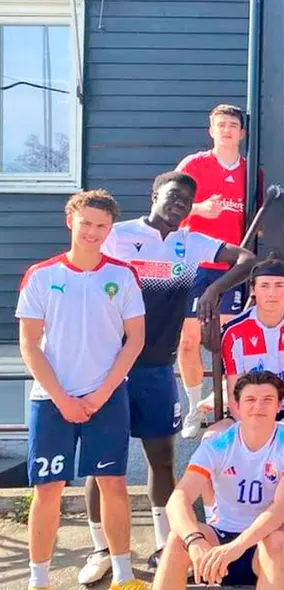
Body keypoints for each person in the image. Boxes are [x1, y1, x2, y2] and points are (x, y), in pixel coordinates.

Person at [81, 172, 255, 581]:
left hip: (158, 368)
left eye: (186, 200)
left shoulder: (192, 242)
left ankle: (164, 544)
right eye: (174, 196)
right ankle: (100, 549)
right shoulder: (117, 234)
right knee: (102, 466)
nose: (180, 204)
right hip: (107, 368)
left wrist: (213, 290)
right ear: (154, 195)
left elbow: (247, 260)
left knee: (163, 461)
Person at [18, 190, 147, 590]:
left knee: (113, 485)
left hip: (105, 398)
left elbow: (135, 341)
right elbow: (28, 345)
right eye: (86, 223)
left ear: (110, 230)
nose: (93, 232)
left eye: (101, 226)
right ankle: (38, 579)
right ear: (70, 220)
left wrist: (102, 393)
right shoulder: (42, 275)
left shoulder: (122, 275)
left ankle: (123, 575)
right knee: (48, 490)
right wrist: (62, 398)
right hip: (52, 400)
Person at [152, 371, 284, 590]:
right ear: (236, 406)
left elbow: (283, 507)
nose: (259, 406)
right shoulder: (219, 444)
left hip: (265, 540)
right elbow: (178, 499)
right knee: (177, 539)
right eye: (250, 400)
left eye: (268, 400)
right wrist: (195, 541)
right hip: (221, 535)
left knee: (275, 542)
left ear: (279, 405)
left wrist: (237, 547)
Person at [176, 104, 251, 433]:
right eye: (220, 125)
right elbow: (164, 205)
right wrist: (197, 209)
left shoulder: (251, 170)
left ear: (241, 132)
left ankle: (226, 406)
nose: (226, 130)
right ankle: (195, 408)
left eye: (232, 125)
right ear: (211, 130)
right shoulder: (195, 165)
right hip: (195, 264)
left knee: (227, 342)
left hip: (232, 266)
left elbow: (262, 217)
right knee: (189, 340)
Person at [218, 259, 284, 438]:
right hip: (250, 412)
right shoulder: (233, 331)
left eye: (279, 285)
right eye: (264, 286)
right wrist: (249, 427)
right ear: (253, 290)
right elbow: (234, 392)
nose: (272, 293)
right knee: (212, 436)